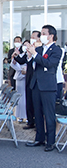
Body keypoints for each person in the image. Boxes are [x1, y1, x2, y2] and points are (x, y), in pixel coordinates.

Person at [25, 24, 62, 152]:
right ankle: (39, 138)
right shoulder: (39, 49)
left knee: (49, 114)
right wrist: (29, 54)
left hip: (48, 86)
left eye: (44, 34)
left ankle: (50, 141)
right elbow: (33, 63)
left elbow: (49, 64)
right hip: (36, 84)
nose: (41, 36)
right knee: (38, 113)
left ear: (51, 36)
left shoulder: (57, 50)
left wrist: (34, 54)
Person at [14, 31, 40, 129]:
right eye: (31, 36)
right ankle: (30, 121)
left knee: (36, 103)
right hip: (28, 79)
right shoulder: (28, 51)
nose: (32, 38)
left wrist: (32, 54)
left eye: (34, 37)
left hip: (37, 80)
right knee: (28, 100)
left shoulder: (38, 51)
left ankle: (37, 122)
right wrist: (16, 55)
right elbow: (22, 61)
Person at [10, 41, 28, 123]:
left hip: (27, 78)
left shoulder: (30, 55)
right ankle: (19, 115)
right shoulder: (19, 55)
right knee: (19, 97)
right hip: (19, 78)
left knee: (26, 98)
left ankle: (27, 116)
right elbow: (14, 64)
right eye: (24, 45)